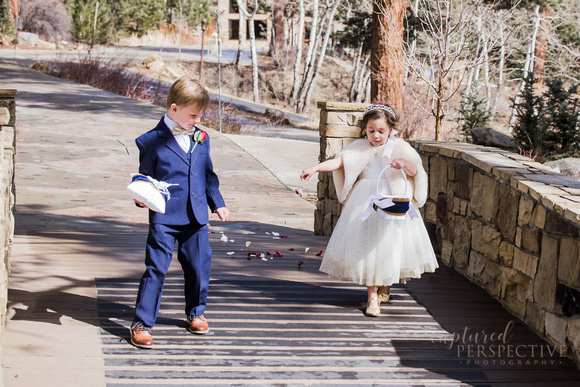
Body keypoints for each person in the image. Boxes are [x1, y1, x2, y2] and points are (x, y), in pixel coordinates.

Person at [300, 103, 437, 317]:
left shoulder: (401, 148)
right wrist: (316, 167)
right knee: (368, 244)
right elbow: (338, 163)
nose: (375, 135)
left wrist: (402, 163)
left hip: (392, 200)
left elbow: (415, 170)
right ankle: (372, 296)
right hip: (365, 201)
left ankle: (384, 284)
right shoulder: (358, 147)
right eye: (371, 130)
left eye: (381, 131)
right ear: (365, 129)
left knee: (387, 244)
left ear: (391, 130)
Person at [130, 77, 230, 348]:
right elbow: (145, 178)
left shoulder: (201, 138)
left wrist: (217, 202)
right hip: (164, 216)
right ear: (174, 108)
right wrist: (142, 197)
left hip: (196, 215)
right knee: (156, 269)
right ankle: (142, 323)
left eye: (200, 115)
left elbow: (208, 175)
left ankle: (196, 312)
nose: (197, 120)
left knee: (199, 267)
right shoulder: (150, 141)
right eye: (193, 115)